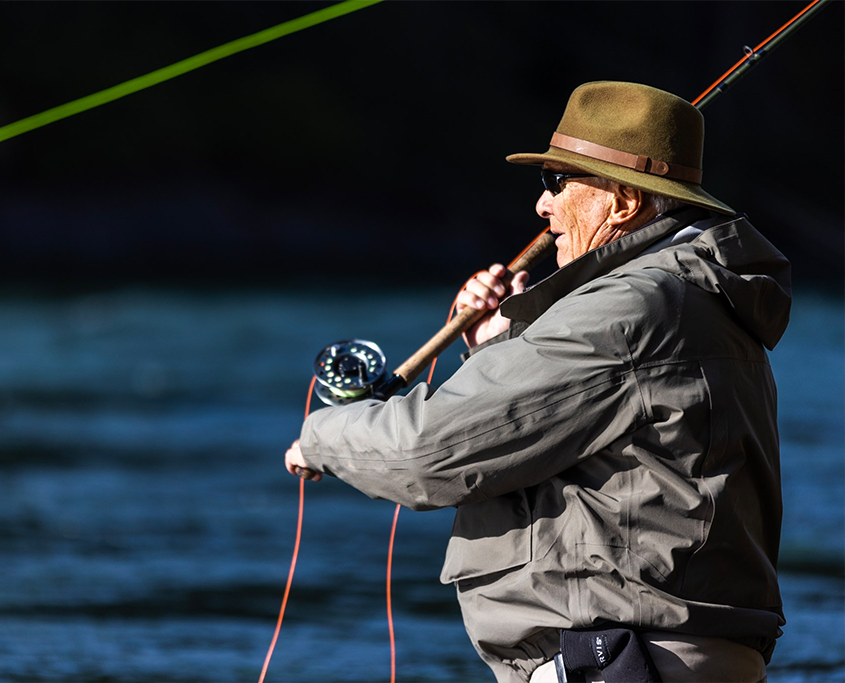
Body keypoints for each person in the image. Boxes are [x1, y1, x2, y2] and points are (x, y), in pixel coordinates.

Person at [285, 81, 789, 682]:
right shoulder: (698, 299)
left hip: (629, 662)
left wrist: (322, 434)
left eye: (557, 183)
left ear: (624, 202)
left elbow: (428, 451)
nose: (542, 207)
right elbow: (571, 447)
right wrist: (500, 348)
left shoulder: (629, 308)